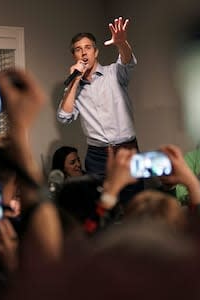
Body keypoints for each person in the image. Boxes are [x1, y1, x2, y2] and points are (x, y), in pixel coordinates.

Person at [56, 17, 140, 191]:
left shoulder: (114, 73)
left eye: (88, 48)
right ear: (74, 56)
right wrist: (75, 81)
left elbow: (127, 61)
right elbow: (64, 117)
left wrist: (122, 43)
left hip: (126, 150)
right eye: (78, 50)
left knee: (133, 200)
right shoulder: (74, 87)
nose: (84, 53)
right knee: (100, 204)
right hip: (96, 155)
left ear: (96, 52)